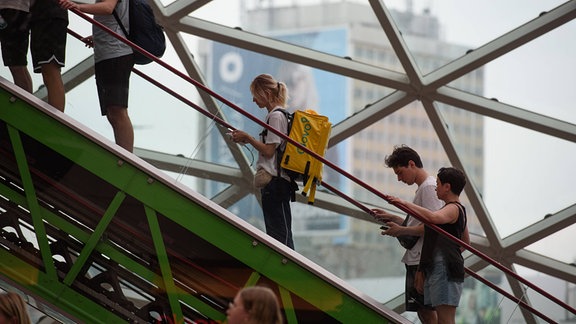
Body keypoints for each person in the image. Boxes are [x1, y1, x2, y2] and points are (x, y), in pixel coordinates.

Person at [386, 167, 470, 324]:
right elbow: (466, 242)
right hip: (442, 267)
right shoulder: (455, 209)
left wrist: (404, 203)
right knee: (440, 317)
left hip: (445, 269)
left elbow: (432, 217)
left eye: (438, 183)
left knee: (445, 319)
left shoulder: (453, 208)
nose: (435, 187)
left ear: (447, 187)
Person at [371, 145, 442, 323]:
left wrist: (401, 230)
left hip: (422, 258)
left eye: (400, 172)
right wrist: (394, 218)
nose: (399, 178)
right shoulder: (425, 188)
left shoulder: (428, 188)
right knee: (422, 309)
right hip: (418, 256)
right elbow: (422, 222)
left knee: (425, 310)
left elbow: (434, 227)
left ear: (411, 164)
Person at [59, 0, 135, 152]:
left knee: (117, 110)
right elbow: (116, 16)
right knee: (112, 112)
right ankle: (124, 153)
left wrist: (79, 7)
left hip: (116, 53)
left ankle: (127, 157)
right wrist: (97, 37)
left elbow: (108, 8)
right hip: (108, 53)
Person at [230, 74, 295, 249]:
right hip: (276, 184)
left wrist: (248, 138)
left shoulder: (276, 116)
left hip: (275, 184)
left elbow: (269, 151)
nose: (253, 99)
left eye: (255, 94)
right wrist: (247, 139)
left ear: (265, 93)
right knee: (279, 235)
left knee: (280, 238)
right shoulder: (278, 115)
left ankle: (286, 271)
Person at [30, 0, 69, 111]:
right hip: (43, 15)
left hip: (50, 15)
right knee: (48, 72)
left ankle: (57, 117)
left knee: (50, 70)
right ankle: (56, 115)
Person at [0, 1, 33, 93]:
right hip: (12, 9)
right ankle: (27, 101)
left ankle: (26, 103)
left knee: (16, 64)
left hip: (13, 9)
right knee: (16, 64)